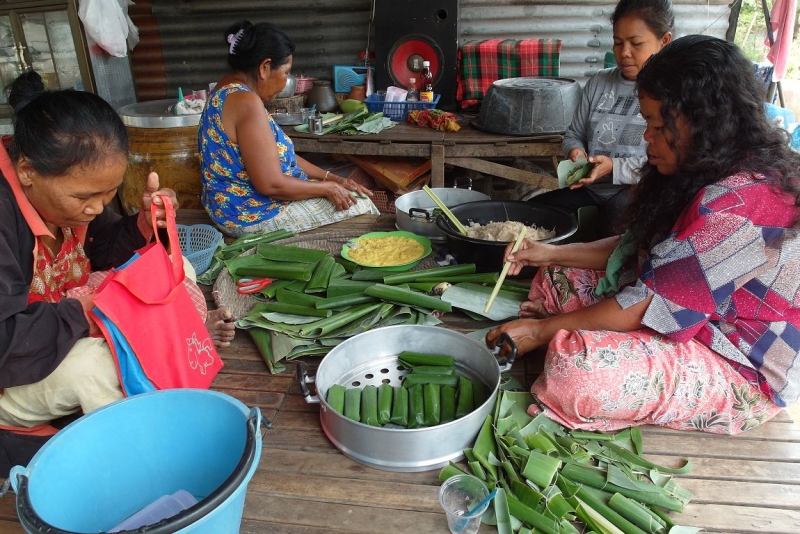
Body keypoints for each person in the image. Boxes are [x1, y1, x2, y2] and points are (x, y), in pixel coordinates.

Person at [486, 35, 800, 435]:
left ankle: (575, 347)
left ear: (700, 119)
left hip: (736, 361)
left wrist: (539, 330)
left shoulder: (741, 202)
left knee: (576, 370)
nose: (646, 137)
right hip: (691, 315)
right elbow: (635, 251)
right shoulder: (708, 168)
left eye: (655, 124)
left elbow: (647, 305)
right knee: (557, 278)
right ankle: (572, 333)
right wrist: (547, 254)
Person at [0, 71, 235, 468]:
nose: (95, 208)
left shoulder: (68, 194)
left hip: (60, 316)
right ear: (27, 171)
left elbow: (105, 249)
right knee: (95, 367)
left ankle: (171, 344)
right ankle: (144, 462)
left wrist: (145, 223)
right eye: (85, 196)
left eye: (108, 194)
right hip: (13, 365)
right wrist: (92, 312)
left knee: (172, 271)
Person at [199, 20, 379, 237]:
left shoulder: (225, 88)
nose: (286, 82)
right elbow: (271, 185)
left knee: (344, 192)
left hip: (226, 207)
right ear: (265, 67)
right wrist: (327, 188)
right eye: (286, 72)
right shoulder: (246, 102)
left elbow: (278, 155)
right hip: (249, 214)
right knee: (360, 205)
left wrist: (332, 178)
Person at [533, 0, 673, 237]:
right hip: (593, 188)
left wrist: (613, 167)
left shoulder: (672, 89)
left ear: (664, 41)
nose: (624, 53)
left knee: (615, 216)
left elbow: (670, 160)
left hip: (640, 189)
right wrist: (576, 153)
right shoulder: (599, 82)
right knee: (537, 213)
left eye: (636, 43)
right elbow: (574, 135)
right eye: (618, 43)